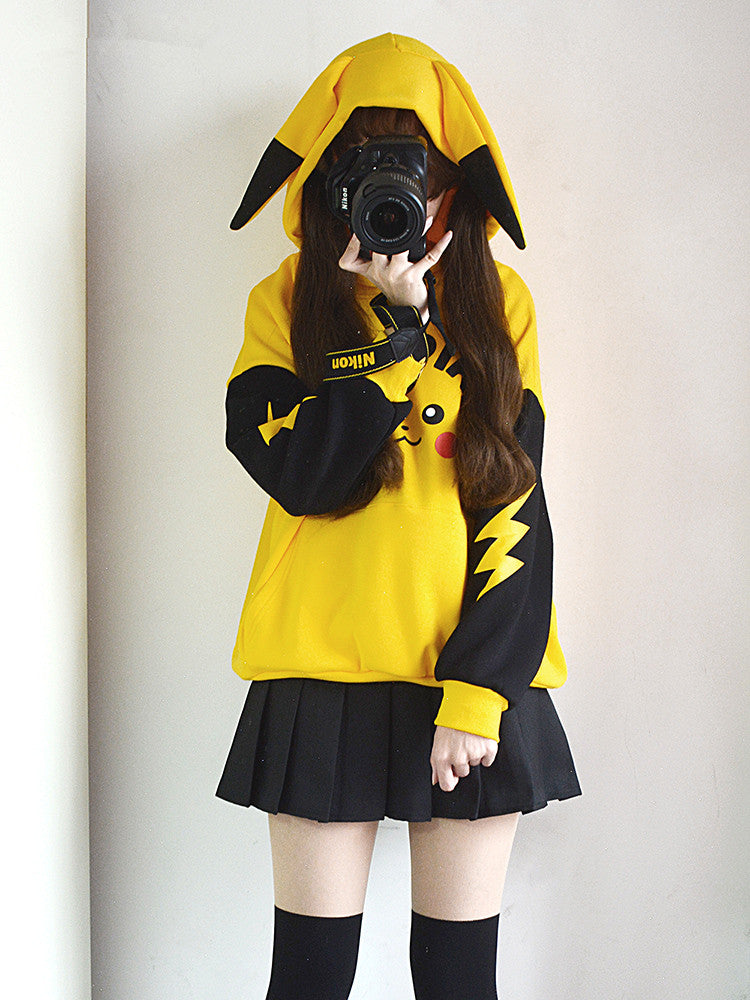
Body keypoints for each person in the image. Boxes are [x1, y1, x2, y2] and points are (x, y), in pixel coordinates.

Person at [217, 33, 581, 1000]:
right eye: (364, 162)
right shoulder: (283, 303)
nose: (394, 192)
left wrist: (480, 689)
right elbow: (298, 472)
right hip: (320, 668)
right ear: (328, 182)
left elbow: (517, 504)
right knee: (309, 980)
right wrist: (397, 339)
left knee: (458, 982)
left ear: (453, 184)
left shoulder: (500, 305)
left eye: (416, 168)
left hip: (466, 670)